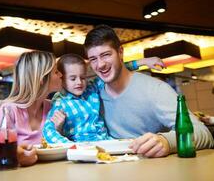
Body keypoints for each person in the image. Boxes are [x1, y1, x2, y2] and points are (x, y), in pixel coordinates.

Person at [83, 24, 214, 158]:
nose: (100, 65)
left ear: (120, 52)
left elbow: (203, 134)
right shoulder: (90, 94)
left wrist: (167, 141)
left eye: (106, 55)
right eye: (93, 59)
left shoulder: (155, 90)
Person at [43, 53, 165, 143]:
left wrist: (143, 62)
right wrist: (70, 147)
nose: (79, 82)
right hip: (82, 148)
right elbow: (48, 132)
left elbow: (117, 70)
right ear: (62, 79)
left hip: (107, 143)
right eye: (73, 78)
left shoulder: (91, 89)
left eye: (83, 77)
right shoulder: (60, 101)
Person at [0, 51, 63, 166]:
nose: (61, 75)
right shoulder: (9, 110)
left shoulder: (54, 107)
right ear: (41, 78)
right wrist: (7, 156)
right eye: (56, 72)